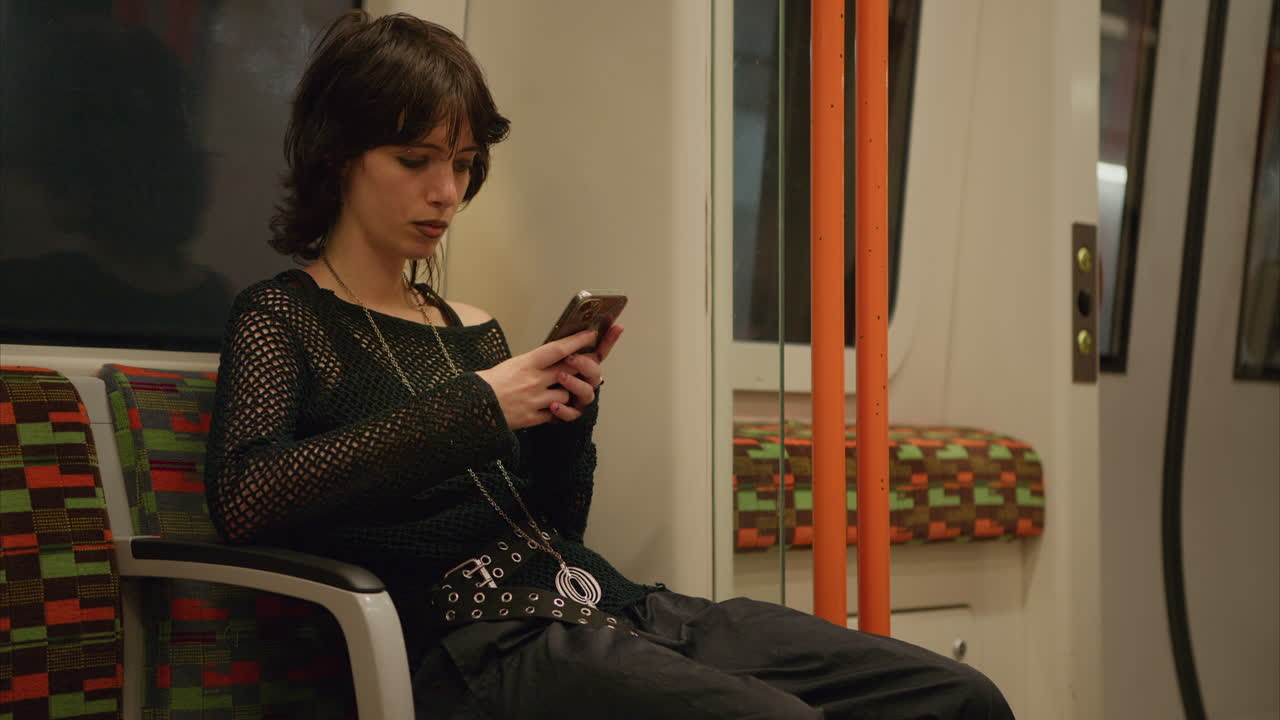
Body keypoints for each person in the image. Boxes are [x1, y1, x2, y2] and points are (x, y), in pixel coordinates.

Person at [205, 10, 1015, 719]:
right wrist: (482, 407)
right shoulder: (284, 317)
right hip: (476, 643)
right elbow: (247, 496)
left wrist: (565, 417)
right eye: (416, 161)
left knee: (954, 696)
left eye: (462, 163)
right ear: (340, 156)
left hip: (603, 602)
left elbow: (555, 525)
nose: (446, 191)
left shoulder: (470, 324)